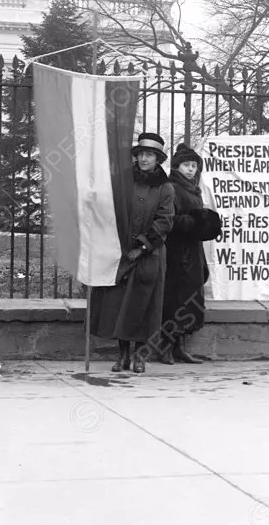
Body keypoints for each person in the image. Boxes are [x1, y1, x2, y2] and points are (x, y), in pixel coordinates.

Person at [88, 132, 175, 374]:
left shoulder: (166, 188)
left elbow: (165, 221)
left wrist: (144, 246)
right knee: (118, 305)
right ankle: (122, 354)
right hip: (121, 254)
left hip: (150, 255)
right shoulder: (121, 182)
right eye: (141, 154)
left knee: (143, 307)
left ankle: (139, 356)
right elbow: (108, 209)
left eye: (150, 155)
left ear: (158, 159)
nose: (144, 158)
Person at [158, 143, 222, 365]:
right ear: (177, 166)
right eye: (186, 165)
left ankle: (180, 348)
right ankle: (165, 348)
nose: (191, 169)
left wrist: (205, 223)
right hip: (176, 254)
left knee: (189, 302)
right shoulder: (172, 188)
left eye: (194, 165)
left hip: (192, 253)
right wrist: (193, 221)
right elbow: (168, 220)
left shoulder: (193, 188)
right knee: (173, 301)